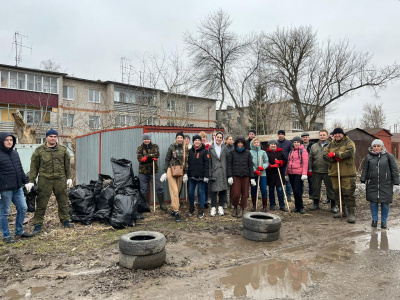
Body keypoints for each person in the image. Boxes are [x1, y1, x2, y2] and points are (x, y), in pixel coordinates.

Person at [30, 129, 74, 235]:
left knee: (63, 200)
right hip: (45, 179)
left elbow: (67, 165)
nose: (53, 138)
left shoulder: (63, 150)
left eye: (55, 136)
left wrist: (69, 177)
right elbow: (34, 167)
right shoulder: (39, 150)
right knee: (41, 202)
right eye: (51, 136)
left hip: (60, 179)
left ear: (57, 138)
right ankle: (38, 223)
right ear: (47, 138)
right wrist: (31, 180)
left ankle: (65, 220)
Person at [0, 133, 34, 243]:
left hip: (17, 188)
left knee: (23, 208)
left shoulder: (15, 153)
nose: (9, 142)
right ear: (1, 141)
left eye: (11, 140)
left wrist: (26, 182)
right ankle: (6, 235)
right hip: (5, 189)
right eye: (6, 140)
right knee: (5, 212)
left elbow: (19, 169)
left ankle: (19, 231)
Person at [360, 139, 400, 229]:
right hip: (372, 184)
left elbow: (394, 170)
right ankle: (374, 220)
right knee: (373, 202)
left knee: (385, 203)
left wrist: (397, 183)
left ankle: (384, 221)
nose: (376, 148)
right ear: (372, 147)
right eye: (374, 146)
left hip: (386, 184)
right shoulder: (368, 157)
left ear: (382, 147)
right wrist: (362, 181)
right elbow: (365, 170)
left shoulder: (389, 156)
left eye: (378, 146)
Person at [323, 128, 357, 223]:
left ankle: (351, 213)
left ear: (343, 134)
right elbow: (325, 155)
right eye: (335, 134)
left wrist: (336, 154)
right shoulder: (330, 144)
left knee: (348, 193)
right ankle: (342, 211)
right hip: (334, 173)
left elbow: (350, 153)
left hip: (347, 173)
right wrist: (333, 158)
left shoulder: (349, 142)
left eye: (339, 133)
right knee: (337, 193)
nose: (337, 135)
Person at [160, 131, 188, 222]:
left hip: (180, 171)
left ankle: (172, 209)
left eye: (181, 137)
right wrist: (165, 172)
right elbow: (167, 159)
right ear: (176, 138)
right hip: (171, 170)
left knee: (177, 191)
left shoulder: (185, 148)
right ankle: (176, 212)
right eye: (178, 137)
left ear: (183, 139)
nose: (180, 139)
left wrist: (186, 174)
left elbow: (187, 162)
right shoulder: (172, 147)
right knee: (174, 191)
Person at [136, 133, 166, 211]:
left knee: (159, 187)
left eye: (147, 139)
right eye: (145, 139)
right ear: (143, 140)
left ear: (150, 139)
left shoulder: (155, 146)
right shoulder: (140, 148)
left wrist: (146, 157)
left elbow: (157, 154)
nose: (146, 140)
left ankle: (162, 204)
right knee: (144, 189)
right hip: (143, 171)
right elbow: (140, 159)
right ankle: (147, 205)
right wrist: (150, 157)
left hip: (154, 171)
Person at [308, 130, 336, 213]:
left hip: (328, 171)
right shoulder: (314, 146)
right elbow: (310, 158)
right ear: (318, 136)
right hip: (316, 170)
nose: (322, 136)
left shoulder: (332, 145)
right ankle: (316, 204)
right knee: (316, 188)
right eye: (321, 135)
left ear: (327, 136)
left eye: (324, 135)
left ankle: (333, 205)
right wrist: (310, 169)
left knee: (330, 189)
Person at [227, 136, 255, 218]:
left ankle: (242, 208)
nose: (240, 144)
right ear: (236, 144)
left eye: (241, 143)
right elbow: (229, 165)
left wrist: (252, 177)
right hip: (235, 175)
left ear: (244, 144)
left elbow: (250, 165)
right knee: (235, 193)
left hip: (245, 176)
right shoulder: (232, 152)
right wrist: (229, 176)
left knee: (245, 194)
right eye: (238, 143)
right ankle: (235, 207)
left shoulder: (247, 153)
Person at [187, 134, 209, 218]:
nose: (197, 141)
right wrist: (186, 174)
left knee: (201, 192)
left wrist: (206, 175)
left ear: (200, 141)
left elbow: (207, 164)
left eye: (198, 140)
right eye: (195, 140)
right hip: (192, 176)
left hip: (201, 176)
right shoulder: (190, 151)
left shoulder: (204, 151)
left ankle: (201, 210)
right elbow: (187, 163)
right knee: (190, 192)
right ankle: (192, 208)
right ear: (193, 141)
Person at [285, 136, 309, 214]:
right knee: (294, 191)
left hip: (299, 173)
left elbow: (305, 163)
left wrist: (304, 174)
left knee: (297, 190)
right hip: (291, 173)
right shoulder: (291, 151)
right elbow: (288, 163)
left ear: (300, 143)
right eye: (295, 142)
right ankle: (296, 207)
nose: (296, 144)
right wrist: (287, 174)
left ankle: (301, 207)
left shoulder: (303, 151)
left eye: (297, 142)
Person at [208, 131, 229, 216]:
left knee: (223, 190)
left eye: (220, 137)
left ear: (222, 139)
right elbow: (209, 162)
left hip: (223, 172)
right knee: (213, 190)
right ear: (215, 138)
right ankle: (213, 207)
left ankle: (220, 207)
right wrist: (209, 174)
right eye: (217, 137)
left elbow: (227, 160)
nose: (219, 139)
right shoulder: (211, 148)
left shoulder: (225, 148)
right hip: (214, 171)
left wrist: (229, 173)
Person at [266, 139, 288, 211]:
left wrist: (280, 162)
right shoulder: (267, 153)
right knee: (271, 190)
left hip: (279, 174)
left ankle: (282, 205)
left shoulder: (280, 152)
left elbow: (285, 161)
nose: (273, 145)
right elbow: (265, 162)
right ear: (269, 145)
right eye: (271, 144)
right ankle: (272, 204)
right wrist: (271, 166)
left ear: (276, 145)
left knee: (280, 190)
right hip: (271, 174)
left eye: (274, 144)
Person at [250, 138, 269, 211]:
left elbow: (266, 162)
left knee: (264, 189)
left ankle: (264, 206)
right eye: (255, 143)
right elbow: (249, 163)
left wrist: (263, 167)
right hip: (254, 174)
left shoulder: (263, 152)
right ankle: (254, 205)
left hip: (262, 174)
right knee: (254, 189)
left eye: (257, 142)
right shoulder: (250, 152)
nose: (256, 144)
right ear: (252, 144)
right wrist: (255, 170)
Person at [277, 130, 293, 202]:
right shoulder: (275, 143)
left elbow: (291, 153)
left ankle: (288, 194)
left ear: (284, 135)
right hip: (278, 165)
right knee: (279, 180)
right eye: (279, 134)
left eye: (282, 134)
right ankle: (280, 194)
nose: (280, 135)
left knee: (287, 180)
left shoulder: (289, 143)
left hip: (286, 164)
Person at [301, 132, 314, 197]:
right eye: (303, 137)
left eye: (306, 137)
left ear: (309, 138)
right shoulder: (300, 145)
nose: (305, 138)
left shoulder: (313, 145)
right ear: (302, 138)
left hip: (310, 165)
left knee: (311, 181)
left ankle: (311, 194)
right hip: (301, 165)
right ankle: (301, 193)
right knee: (300, 180)